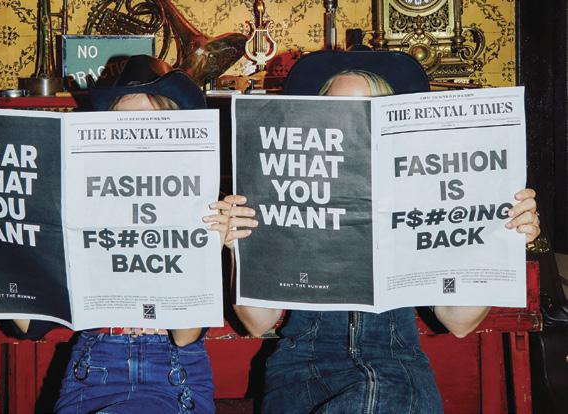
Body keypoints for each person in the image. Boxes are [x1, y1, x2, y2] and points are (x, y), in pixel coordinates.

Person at [221, 50, 541, 413]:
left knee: (376, 398)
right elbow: (257, 321)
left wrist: (500, 235)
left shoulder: (424, 192)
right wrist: (238, 246)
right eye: (338, 113)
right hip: (301, 367)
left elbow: (459, 321)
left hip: (398, 364)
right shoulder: (282, 187)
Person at [0, 55, 234, 414]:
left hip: (173, 369)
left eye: (150, 124)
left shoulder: (205, 206)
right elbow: (32, 325)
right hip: (93, 365)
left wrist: (206, 247)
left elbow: (185, 335)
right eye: (121, 127)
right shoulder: (79, 208)